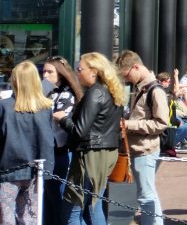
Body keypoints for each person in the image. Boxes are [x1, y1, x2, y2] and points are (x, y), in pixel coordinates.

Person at [55, 52, 125, 225]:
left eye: (80, 69)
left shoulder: (95, 93)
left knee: (72, 210)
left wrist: (62, 119)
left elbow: (80, 131)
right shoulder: (111, 91)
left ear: (94, 71)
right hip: (105, 153)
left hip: (90, 155)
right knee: (94, 205)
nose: (77, 73)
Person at [116, 51, 170, 225]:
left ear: (136, 67)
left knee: (146, 196)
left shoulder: (155, 90)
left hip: (144, 150)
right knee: (144, 194)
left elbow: (161, 124)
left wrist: (129, 124)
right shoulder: (142, 87)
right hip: (136, 149)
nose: (127, 80)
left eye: (127, 75)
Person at [0, 61, 55, 225]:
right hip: (34, 171)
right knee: (30, 216)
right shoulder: (45, 108)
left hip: (7, 171)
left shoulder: (4, 107)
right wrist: (46, 172)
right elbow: (47, 140)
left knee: (6, 217)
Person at [40, 57, 82, 225]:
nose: (45, 75)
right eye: (44, 71)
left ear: (61, 74)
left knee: (58, 198)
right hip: (47, 149)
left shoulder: (66, 94)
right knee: (47, 198)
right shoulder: (46, 91)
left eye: (50, 72)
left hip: (60, 150)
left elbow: (56, 117)